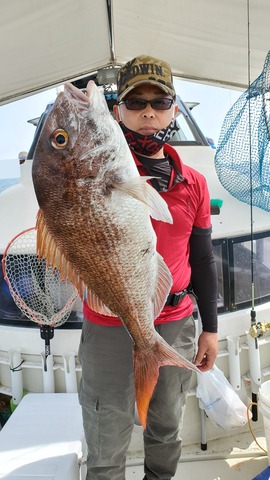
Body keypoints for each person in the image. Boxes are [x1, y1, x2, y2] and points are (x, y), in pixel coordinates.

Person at [79, 54, 218, 480]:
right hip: (107, 319)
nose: (148, 113)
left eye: (159, 102)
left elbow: (203, 258)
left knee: (166, 424)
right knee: (107, 426)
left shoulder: (193, 181)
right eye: (135, 103)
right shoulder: (99, 170)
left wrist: (209, 327)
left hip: (175, 319)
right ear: (117, 111)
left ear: (174, 110)